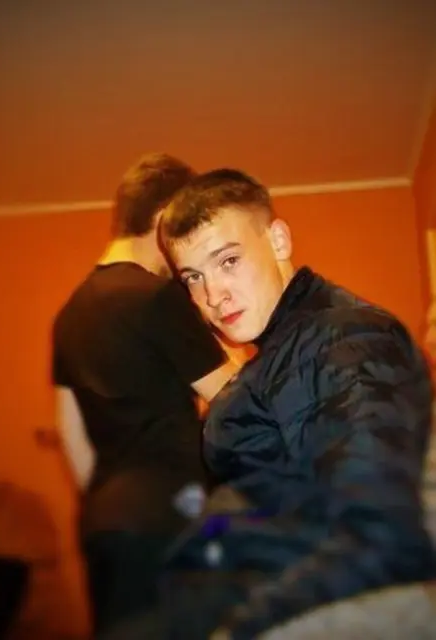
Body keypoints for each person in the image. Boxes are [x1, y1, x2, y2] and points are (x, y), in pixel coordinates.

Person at [156, 168, 436, 639]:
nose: (212, 296)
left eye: (228, 261)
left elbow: (380, 537)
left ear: (279, 240)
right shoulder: (284, 349)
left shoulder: (344, 338)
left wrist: (238, 630)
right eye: (194, 277)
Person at [51, 154, 237, 636]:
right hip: (172, 513)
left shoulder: (69, 315)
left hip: (106, 523)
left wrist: (112, 502)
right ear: (162, 221)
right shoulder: (158, 297)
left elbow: (72, 436)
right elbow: (233, 399)